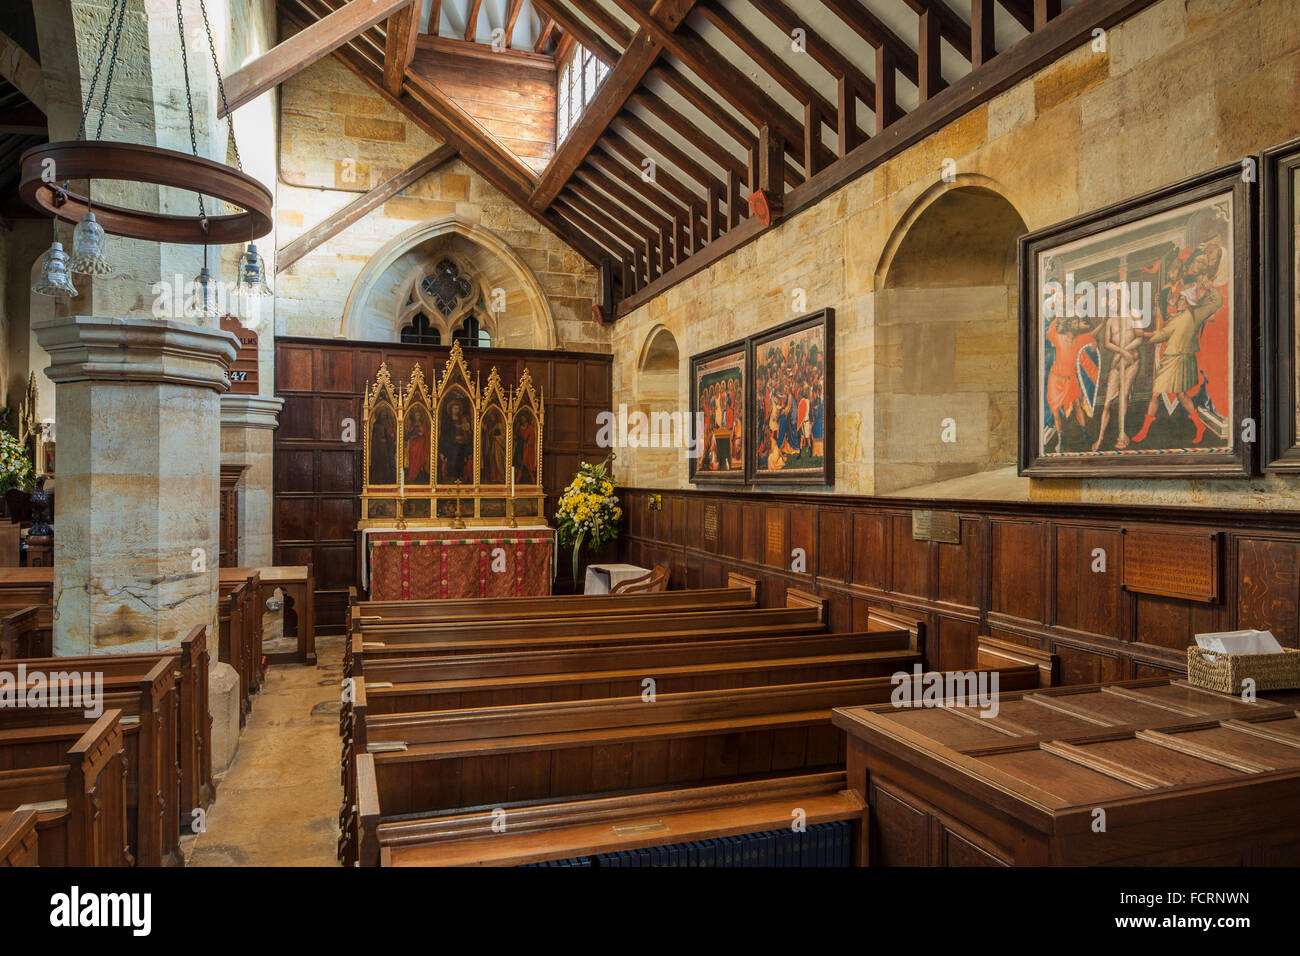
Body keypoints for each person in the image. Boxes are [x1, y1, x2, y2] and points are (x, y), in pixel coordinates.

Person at [1131, 277, 1223, 446]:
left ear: (1188, 301)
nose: (1179, 301)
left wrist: (1211, 289)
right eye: (1179, 298)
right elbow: (1162, 334)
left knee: (1178, 394)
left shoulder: (1197, 313)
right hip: (1170, 360)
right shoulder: (1176, 319)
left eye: (1181, 299)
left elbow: (1218, 303)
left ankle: (1198, 427)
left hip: (1182, 359)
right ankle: (1145, 430)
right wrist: (1144, 335)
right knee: (1160, 393)